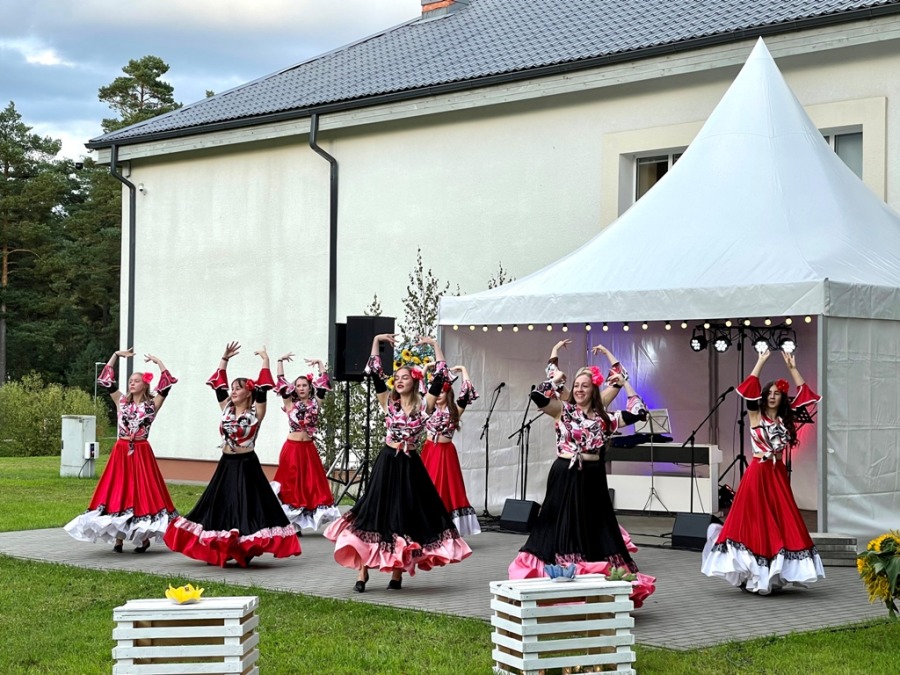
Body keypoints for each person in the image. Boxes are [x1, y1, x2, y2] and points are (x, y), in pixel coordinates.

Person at [508, 341, 657, 608]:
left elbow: (639, 412)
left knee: (594, 526)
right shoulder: (562, 411)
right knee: (559, 524)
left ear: (593, 390)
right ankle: (559, 582)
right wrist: (555, 378)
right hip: (565, 473)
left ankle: (596, 583)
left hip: (592, 476)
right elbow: (538, 396)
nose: (578, 389)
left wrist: (625, 383)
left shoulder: (605, 418)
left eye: (584, 386)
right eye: (576, 385)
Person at [324, 333, 472, 592]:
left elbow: (440, 375)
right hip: (388, 462)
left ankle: (397, 574)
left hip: (410, 465)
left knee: (403, 516)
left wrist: (435, 345)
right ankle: (362, 572)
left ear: (414, 381)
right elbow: (374, 373)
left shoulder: (424, 406)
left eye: (405, 377)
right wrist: (376, 340)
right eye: (398, 377)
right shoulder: (388, 403)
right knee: (375, 512)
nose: (400, 380)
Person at [163, 342, 301, 567]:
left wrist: (266, 360)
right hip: (227, 463)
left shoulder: (256, 412)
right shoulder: (226, 408)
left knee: (246, 507)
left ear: (248, 392)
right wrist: (224, 358)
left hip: (247, 465)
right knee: (222, 505)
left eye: (238, 388)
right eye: (233, 388)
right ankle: (223, 546)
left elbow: (264, 388)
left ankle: (243, 547)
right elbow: (219, 386)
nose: (233, 391)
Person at [701, 349, 825, 594]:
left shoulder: (786, 420)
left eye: (777, 393)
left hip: (776, 474)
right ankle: (754, 573)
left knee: (780, 520)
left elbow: (807, 396)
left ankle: (774, 574)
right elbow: (749, 390)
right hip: (758, 472)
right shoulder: (756, 415)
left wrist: (792, 368)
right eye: (769, 393)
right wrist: (760, 361)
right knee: (755, 521)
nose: (772, 396)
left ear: (782, 397)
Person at [65, 349, 178, 553]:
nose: (132, 383)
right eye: (130, 380)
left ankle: (142, 538)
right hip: (122, 450)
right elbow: (106, 380)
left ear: (145, 384)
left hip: (141, 451)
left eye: (136, 380)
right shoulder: (121, 401)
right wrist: (116, 356)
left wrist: (158, 362)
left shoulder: (152, 405)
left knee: (141, 492)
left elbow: (167, 384)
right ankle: (118, 539)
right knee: (119, 490)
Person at [271, 353, 340, 532]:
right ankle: (291, 523)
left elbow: (324, 383)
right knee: (291, 485)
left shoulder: (316, 403)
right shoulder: (289, 403)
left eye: (304, 385)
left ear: (310, 388)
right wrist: (280, 361)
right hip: (292, 448)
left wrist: (320, 363)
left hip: (308, 448)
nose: (301, 388)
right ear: (295, 388)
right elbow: (281, 382)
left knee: (310, 484)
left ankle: (302, 521)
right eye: (298, 385)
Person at [420, 340, 481, 536]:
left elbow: (467, 393)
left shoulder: (455, 410)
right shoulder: (428, 408)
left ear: (448, 393)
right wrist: (425, 369)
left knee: (448, 489)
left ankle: (447, 527)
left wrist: (463, 370)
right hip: (429, 450)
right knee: (427, 485)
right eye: (437, 392)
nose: (438, 395)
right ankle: (427, 525)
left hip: (446, 452)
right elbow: (421, 388)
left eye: (442, 392)